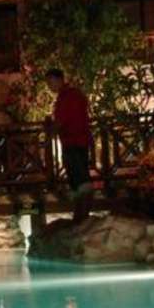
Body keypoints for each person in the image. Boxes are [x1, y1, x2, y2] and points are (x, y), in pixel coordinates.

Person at [45, 68, 93, 221]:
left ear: (60, 80)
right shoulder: (72, 95)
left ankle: (82, 215)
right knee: (79, 178)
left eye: (51, 82)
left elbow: (61, 120)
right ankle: (81, 214)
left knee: (78, 178)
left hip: (74, 141)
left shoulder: (67, 97)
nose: (49, 86)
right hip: (78, 140)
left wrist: (50, 133)